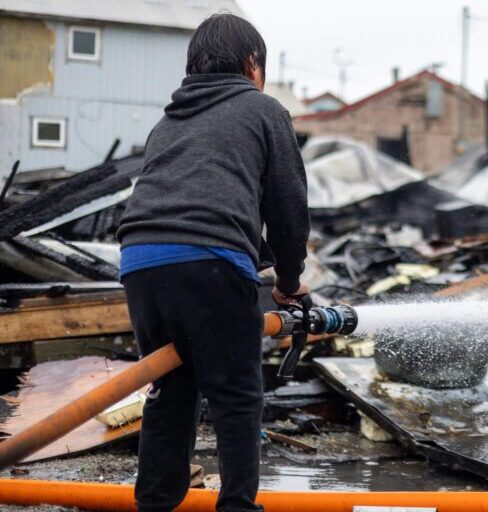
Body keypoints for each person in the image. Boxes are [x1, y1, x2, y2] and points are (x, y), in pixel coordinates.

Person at [116, 13, 309, 512]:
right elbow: (288, 209)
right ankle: (239, 507)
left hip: (139, 263)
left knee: (171, 386)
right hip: (209, 260)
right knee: (237, 394)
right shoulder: (262, 109)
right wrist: (289, 281)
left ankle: (155, 504)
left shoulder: (167, 123)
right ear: (252, 64)